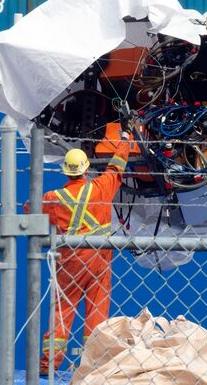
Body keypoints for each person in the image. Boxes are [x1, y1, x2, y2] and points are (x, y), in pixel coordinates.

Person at [36, 118, 133, 375]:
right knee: (97, 312)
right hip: (100, 260)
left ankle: (48, 366)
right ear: (86, 169)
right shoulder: (100, 188)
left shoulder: (52, 199)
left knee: (62, 311)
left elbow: (30, 212)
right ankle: (94, 365)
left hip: (69, 262)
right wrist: (126, 141)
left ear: (66, 172)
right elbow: (116, 169)